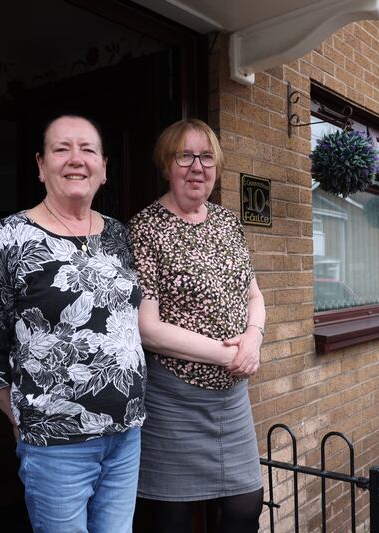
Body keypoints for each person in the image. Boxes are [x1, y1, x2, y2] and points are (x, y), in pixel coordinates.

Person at [0, 114, 145, 533]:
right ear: (41, 165)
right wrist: (20, 417)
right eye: (61, 149)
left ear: (103, 168)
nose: (75, 159)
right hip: (55, 443)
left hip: (126, 434)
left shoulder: (119, 235)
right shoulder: (9, 237)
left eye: (87, 150)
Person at [128, 119, 266, 533]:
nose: (196, 167)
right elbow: (146, 328)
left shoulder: (227, 223)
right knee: (170, 518)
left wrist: (254, 339)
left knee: (246, 507)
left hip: (232, 397)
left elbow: (254, 296)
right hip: (173, 398)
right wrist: (232, 354)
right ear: (166, 165)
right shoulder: (145, 227)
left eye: (206, 157)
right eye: (184, 156)